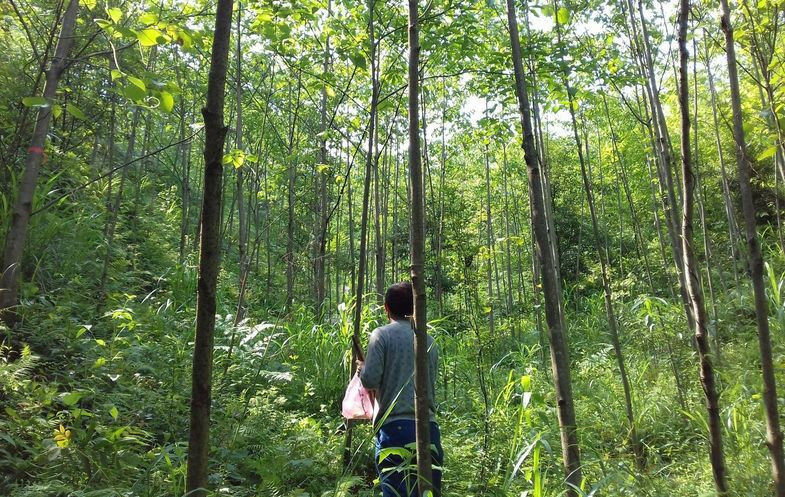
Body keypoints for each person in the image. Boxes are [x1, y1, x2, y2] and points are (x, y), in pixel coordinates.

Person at [357, 281, 442, 497]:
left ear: (387, 308)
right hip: (429, 430)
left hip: (395, 430)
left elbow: (370, 379)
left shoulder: (382, 335)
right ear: (414, 308)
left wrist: (362, 369)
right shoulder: (428, 341)